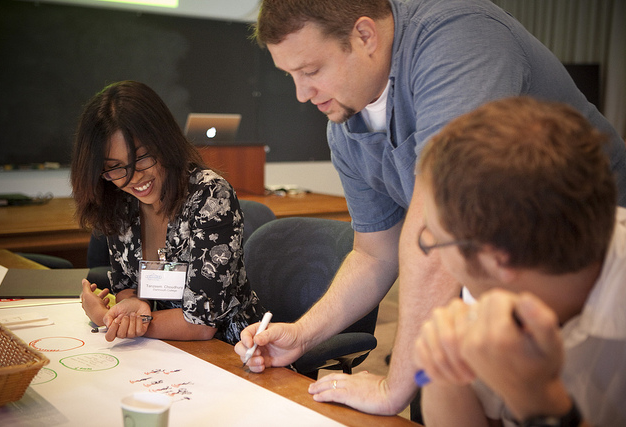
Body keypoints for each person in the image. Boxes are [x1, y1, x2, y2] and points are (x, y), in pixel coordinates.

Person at [234, 0, 626, 417]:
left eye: (311, 71)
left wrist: (396, 387)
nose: (300, 94)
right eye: (290, 76)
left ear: (365, 36)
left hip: (588, 263)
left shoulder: (457, 37)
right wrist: (303, 335)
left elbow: (436, 242)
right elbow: (375, 252)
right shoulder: (347, 128)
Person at [412, 96, 626, 426]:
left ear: (496, 259)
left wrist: (540, 400)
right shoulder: (488, 290)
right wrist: (440, 372)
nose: (435, 251)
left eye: (438, 240)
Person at [71, 80, 263, 345]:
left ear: (164, 141)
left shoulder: (209, 196)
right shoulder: (118, 201)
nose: (133, 178)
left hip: (232, 350)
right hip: (160, 347)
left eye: (141, 158)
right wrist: (127, 310)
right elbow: (127, 287)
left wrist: (109, 319)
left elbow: (201, 324)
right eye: (115, 168)